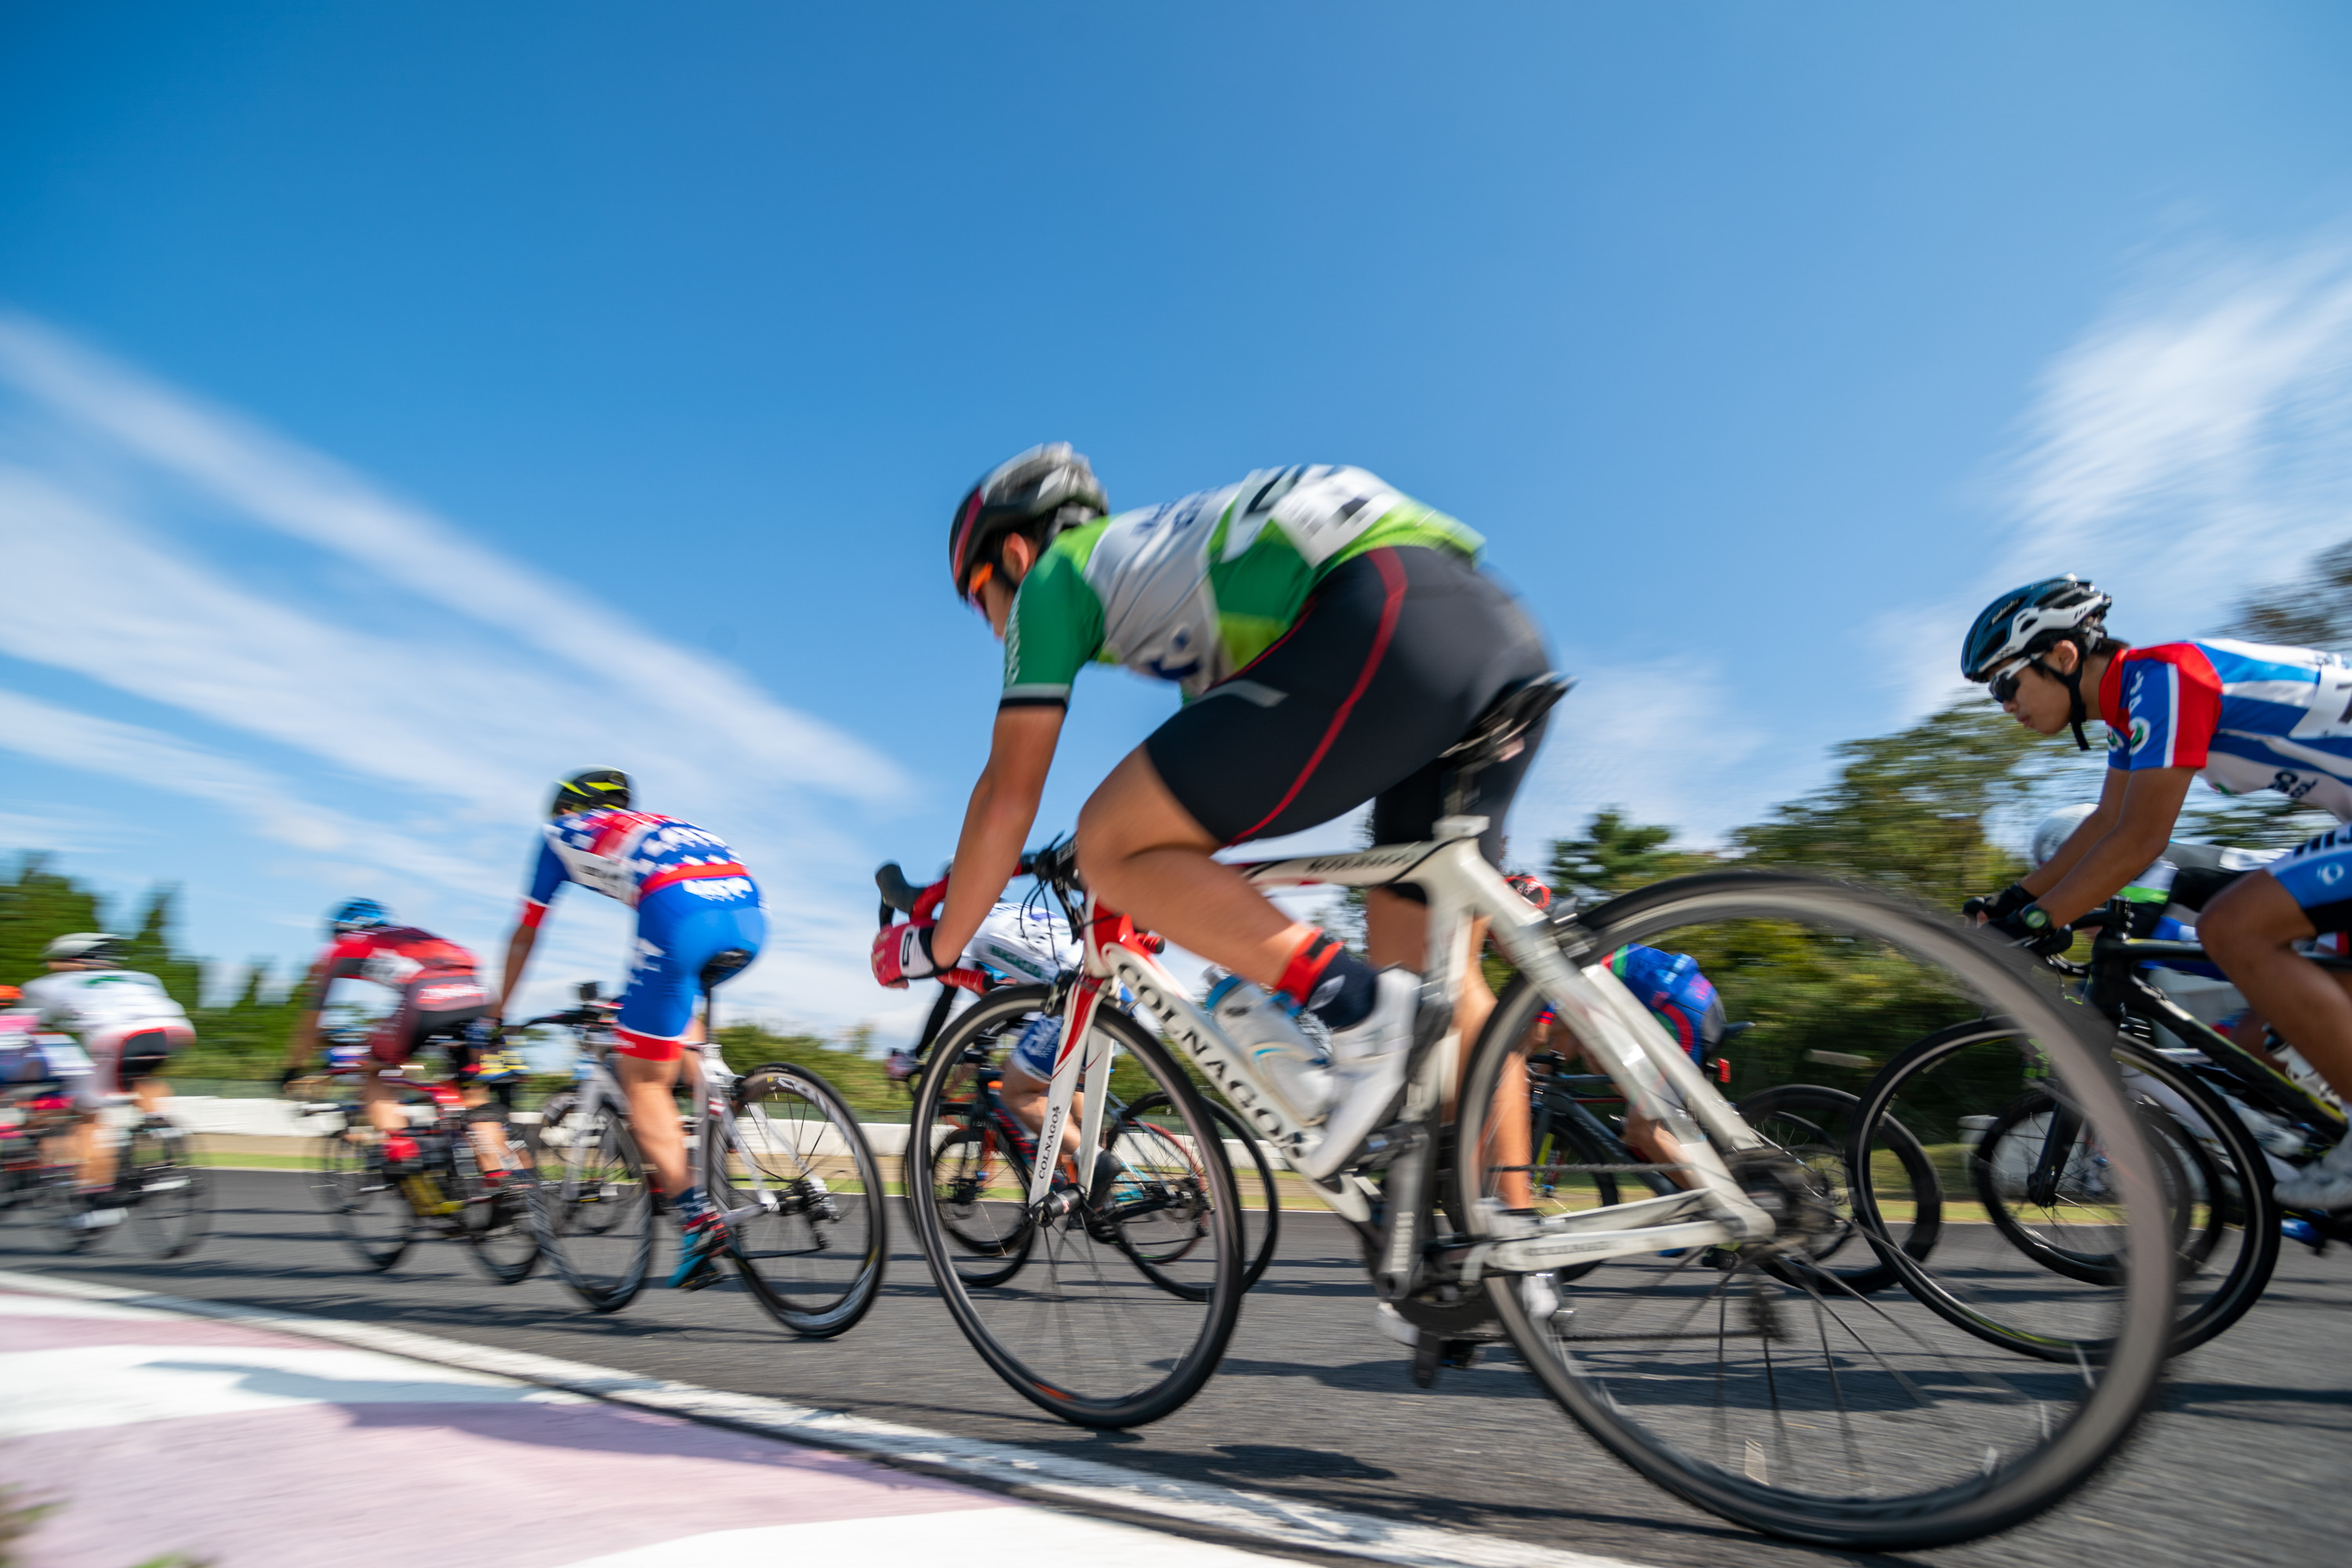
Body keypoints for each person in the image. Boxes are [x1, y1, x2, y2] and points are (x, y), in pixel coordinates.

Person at [872, 447, 1554, 1190]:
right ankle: (1508, 1251)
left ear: (1013, 551)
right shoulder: (1178, 590)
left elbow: (1008, 794)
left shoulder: (1054, 574)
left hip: (1384, 608)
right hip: (1495, 627)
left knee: (1111, 839)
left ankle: (1360, 1010)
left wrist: (943, 943)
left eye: (976, 593)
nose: (987, 616)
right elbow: (1206, 787)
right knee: (1442, 984)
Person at [1961, 575, 2352, 1210]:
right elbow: (2103, 826)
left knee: (2234, 928)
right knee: (2263, 1038)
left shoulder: (2164, 676)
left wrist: (2036, 922)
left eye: (2007, 683)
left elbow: (2141, 838)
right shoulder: (2133, 706)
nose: (2004, 704)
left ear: (2063, 656)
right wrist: (2011, 902)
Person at [493, 769, 765, 1288]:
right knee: (671, 1008)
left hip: (678, 911)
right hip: (749, 912)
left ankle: (698, 1221)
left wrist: (496, 1015)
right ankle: (722, 1090)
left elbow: (525, 934)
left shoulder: (558, 835)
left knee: (644, 1082)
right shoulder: (657, 825)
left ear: (567, 810)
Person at [280, 898, 514, 1172]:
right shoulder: (410, 935)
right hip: (477, 996)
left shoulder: (341, 947)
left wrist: (293, 1067)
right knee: (472, 1096)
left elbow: (310, 1020)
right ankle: (501, 1176)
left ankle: (400, 1147)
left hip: (426, 999)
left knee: (372, 1068)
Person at [16, 932, 195, 1226]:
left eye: (55, 962)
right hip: (173, 1032)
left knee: (88, 1118)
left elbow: (24, 1031)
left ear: (72, 961)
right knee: (140, 1076)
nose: (51, 967)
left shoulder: (46, 986)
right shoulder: (143, 977)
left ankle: (100, 1202)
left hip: (117, 1038)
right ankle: (159, 1125)